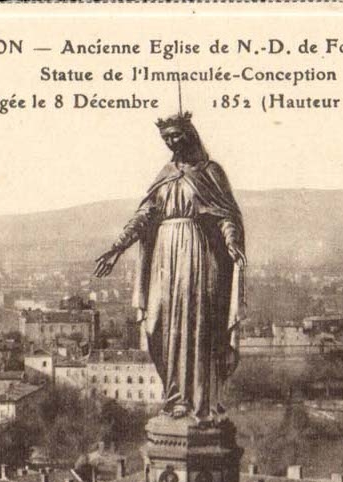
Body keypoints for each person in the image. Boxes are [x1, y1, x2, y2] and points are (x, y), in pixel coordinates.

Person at [95, 113, 245, 420]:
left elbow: (226, 215)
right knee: (158, 325)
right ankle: (175, 395)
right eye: (166, 139)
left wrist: (231, 241)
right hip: (164, 258)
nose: (172, 142)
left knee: (197, 324)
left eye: (176, 135)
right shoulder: (165, 174)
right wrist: (117, 247)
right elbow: (144, 216)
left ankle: (198, 400)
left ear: (190, 134)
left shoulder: (211, 172)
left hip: (198, 254)